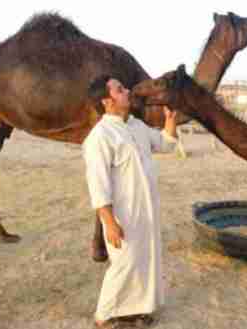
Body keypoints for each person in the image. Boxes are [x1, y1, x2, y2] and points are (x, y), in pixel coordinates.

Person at [83, 75, 177, 328]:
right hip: (123, 214)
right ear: (107, 101)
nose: (126, 91)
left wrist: (170, 121)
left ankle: (138, 309)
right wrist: (109, 222)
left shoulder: (136, 126)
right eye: (120, 89)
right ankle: (103, 318)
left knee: (146, 259)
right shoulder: (100, 137)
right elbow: (98, 185)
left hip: (147, 210)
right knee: (124, 264)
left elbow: (165, 144)